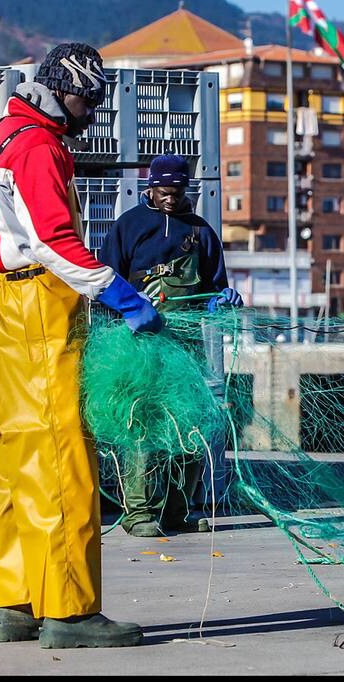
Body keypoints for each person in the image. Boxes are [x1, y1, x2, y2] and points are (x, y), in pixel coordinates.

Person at [0, 42, 160, 650]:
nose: (90, 114)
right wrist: (123, 297)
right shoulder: (39, 147)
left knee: (10, 455)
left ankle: (18, 604)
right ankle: (72, 611)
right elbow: (55, 242)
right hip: (39, 305)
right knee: (60, 457)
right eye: (88, 100)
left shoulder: (7, 133)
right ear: (63, 91)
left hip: (1, 303)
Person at [98, 154, 243, 537]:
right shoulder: (128, 227)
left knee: (188, 428)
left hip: (185, 347)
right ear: (150, 187)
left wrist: (221, 299)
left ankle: (178, 511)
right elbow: (104, 280)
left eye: (177, 192)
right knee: (143, 427)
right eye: (164, 192)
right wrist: (127, 314)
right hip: (139, 345)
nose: (170, 199)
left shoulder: (201, 232)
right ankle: (139, 512)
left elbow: (214, 284)